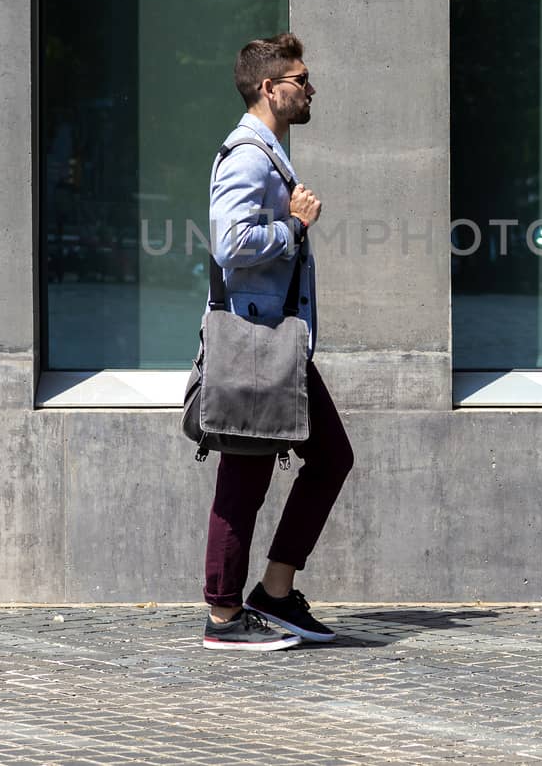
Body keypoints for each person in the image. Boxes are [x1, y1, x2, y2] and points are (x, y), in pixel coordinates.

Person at [200, 32, 354, 651]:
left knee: (269, 466)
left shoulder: (268, 154)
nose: (309, 87)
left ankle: (271, 593)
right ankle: (228, 613)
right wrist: (294, 224)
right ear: (270, 87)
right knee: (254, 470)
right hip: (255, 339)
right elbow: (230, 244)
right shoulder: (247, 156)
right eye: (300, 78)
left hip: (271, 339)